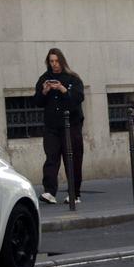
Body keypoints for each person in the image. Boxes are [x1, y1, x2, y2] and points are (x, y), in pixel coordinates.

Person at [35, 47, 84, 204]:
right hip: (52, 126)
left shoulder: (73, 79)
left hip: (71, 125)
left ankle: (74, 193)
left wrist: (62, 89)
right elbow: (37, 101)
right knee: (51, 158)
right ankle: (49, 192)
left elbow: (77, 99)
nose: (54, 64)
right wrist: (44, 91)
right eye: (51, 61)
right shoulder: (44, 78)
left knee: (72, 159)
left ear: (62, 61)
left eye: (57, 61)